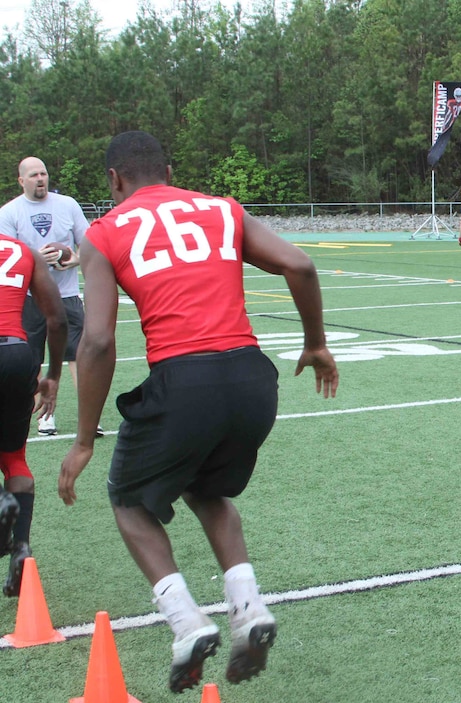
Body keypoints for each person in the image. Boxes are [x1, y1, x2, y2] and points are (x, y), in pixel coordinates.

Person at [58, 131, 339, 693]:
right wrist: (314, 343)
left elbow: (95, 343)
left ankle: (187, 623)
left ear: (114, 179)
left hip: (185, 380)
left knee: (129, 500)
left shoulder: (104, 232)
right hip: (253, 378)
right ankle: (249, 609)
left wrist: (85, 438)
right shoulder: (220, 208)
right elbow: (300, 265)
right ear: (168, 168)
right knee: (207, 490)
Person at [0, 156, 98, 437]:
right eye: (33, 175)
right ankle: (43, 416)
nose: (40, 179)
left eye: (43, 173)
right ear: (21, 180)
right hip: (29, 298)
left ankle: (87, 418)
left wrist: (75, 260)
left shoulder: (67, 205)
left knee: (79, 355)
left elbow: (89, 244)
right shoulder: (9, 213)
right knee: (32, 358)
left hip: (66, 294)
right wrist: (36, 262)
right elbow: (7, 257)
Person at [0, 232, 66, 598]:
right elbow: (56, 320)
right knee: (14, 458)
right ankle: (21, 548)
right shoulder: (22, 250)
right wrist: (52, 374)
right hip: (17, 354)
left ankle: (2, 503)